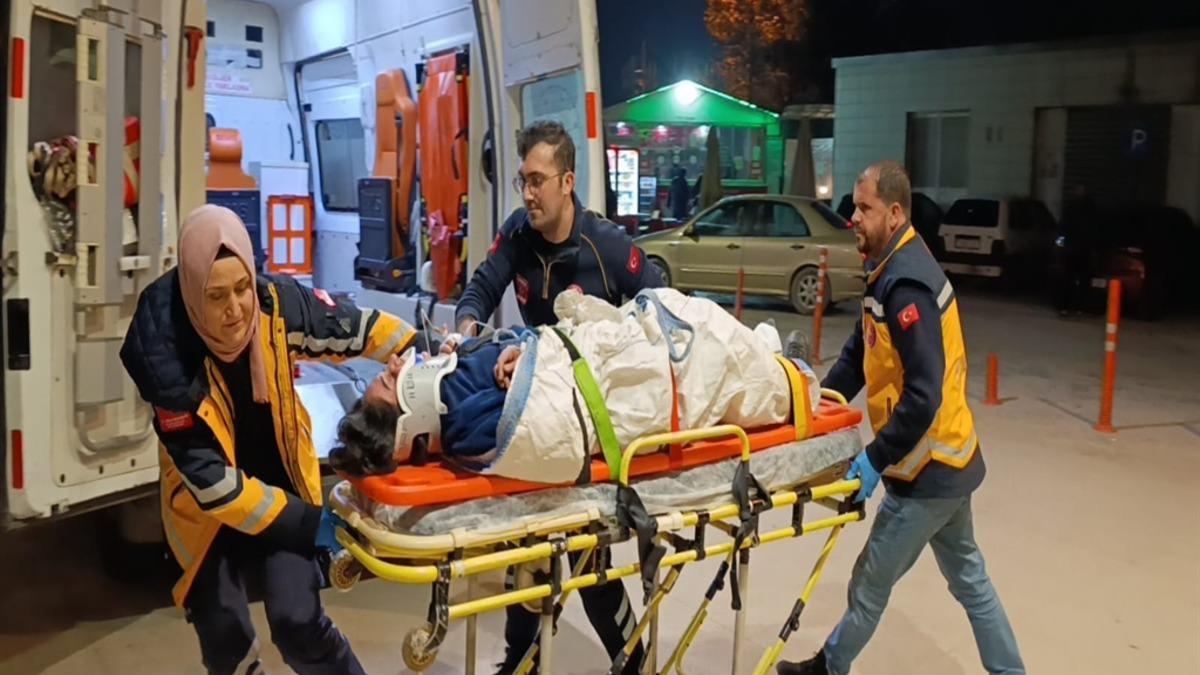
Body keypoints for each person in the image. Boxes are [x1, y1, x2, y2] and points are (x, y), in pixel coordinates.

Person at [120, 205, 416, 675]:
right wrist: (309, 523)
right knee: (226, 638)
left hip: (281, 477)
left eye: (242, 287)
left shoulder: (275, 304)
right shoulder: (164, 358)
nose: (236, 309)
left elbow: (356, 328)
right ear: (192, 292)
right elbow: (213, 486)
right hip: (206, 510)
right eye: (216, 296)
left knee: (299, 623)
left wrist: (419, 356)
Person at [776, 162, 1024, 675]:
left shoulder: (907, 285)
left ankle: (828, 668)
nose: (853, 217)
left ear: (893, 213)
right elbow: (859, 353)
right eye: (853, 206)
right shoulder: (887, 268)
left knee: (870, 581)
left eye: (863, 208)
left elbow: (923, 396)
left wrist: (874, 458)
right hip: (949, 462)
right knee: (970, 580)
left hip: (927, 468)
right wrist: (819, 402)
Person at [451, 120, 660, 674]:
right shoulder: (518, 234)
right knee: (527, 554)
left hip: (592, 422)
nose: (528, 193)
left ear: (567, 182)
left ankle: (632, 664)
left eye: (538, 180)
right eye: (523, 180)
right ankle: (521, 662)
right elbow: (481, 289)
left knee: (590, 564)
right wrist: (468, 332)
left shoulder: (606, 246)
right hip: (538, 416)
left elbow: (661, 312)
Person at [330, 287, 810, 482]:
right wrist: (532, 362)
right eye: (390, 380)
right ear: (410, 419)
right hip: (618, 384)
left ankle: (769, 352)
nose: (397, 363)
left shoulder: (454, 391)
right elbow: (543, 420)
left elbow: (514, 353)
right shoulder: (465, 429)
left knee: (688, 317)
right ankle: (790, 376)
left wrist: (513, 348)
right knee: (708, 346)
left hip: (589, 354)